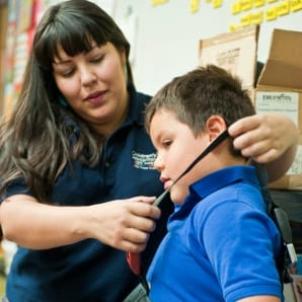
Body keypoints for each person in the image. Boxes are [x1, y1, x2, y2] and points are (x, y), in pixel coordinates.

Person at [0, 1, 298, 301]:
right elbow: (12, 219)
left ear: (122, 51)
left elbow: (246, 170)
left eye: (96, 58)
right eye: (67, 71)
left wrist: (287, 138)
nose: (87, 79)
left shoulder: (164, 120)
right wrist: (92, 221)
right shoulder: (36, 131)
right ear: (53, 80)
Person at [145, 65, 286, 302]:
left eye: (167, 143)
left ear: (214, 131)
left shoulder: (226, 209)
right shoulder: (207, 206)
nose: (157, 163)